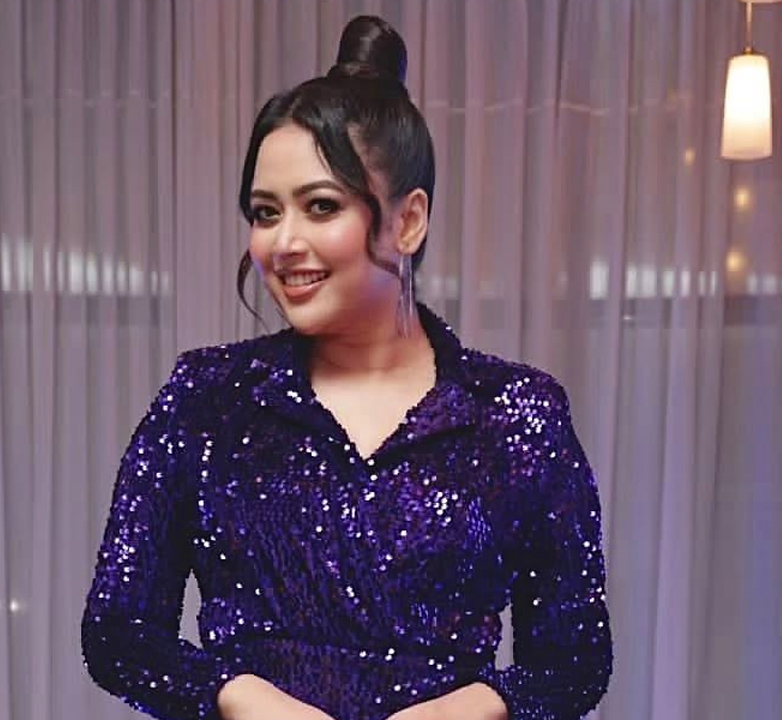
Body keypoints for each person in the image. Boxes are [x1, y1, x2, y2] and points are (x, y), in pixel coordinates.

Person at [81, 15, 612, 720]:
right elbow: (118, 631)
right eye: (265, 212)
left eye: (321, 206)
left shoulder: (515, 413)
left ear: (407, 221)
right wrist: (243, 699)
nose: (283, 242)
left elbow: (573, 663)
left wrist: (459, 712)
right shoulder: (207, 398)